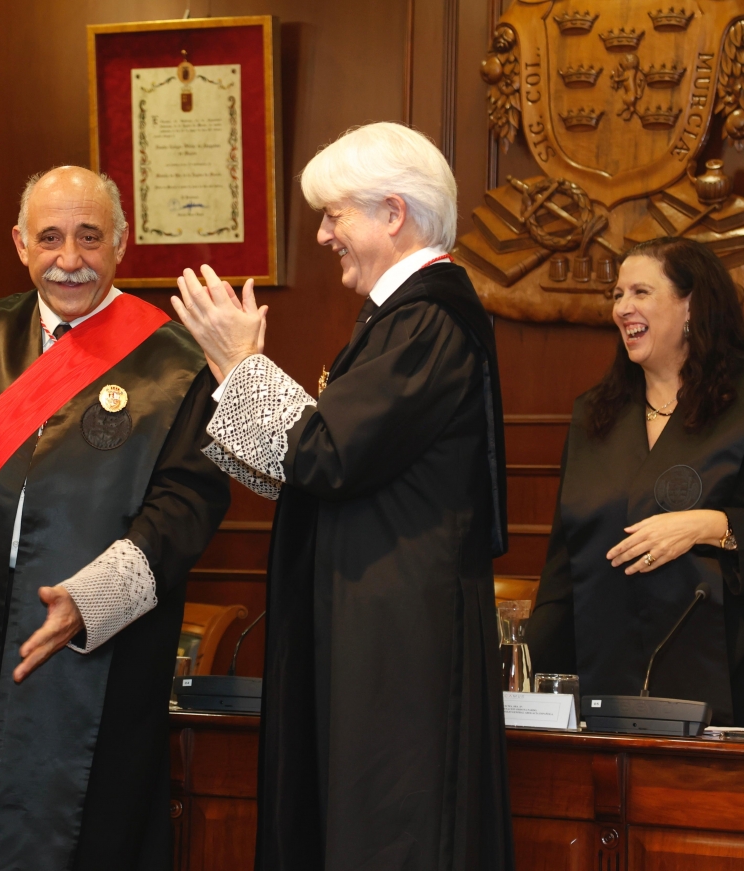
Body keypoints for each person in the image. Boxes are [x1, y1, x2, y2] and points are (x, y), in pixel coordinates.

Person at [172, 123, 514, 870]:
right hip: (373, 622)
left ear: (393, 212)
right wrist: (236, 372)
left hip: (395, 642)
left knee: (387, 830)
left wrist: (240, 362)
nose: (323, 234)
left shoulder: (428, 318)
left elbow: (323, 452)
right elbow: (317, 462)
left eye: (335, 214)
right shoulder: (404, 318)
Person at [0, 166, 230, 870]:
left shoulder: (178, 362)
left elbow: (188, 502)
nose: (70, 259)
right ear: (19, 243)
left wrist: (93, 599)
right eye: (51, 237)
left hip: (100, 651)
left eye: (89, 237)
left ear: (121, 244)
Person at [526, 236, 744, 726]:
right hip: (609, 689)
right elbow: (565, 567)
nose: (622, 308)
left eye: (640, 292)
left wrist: (711, 525)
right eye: (617, 295)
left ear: (690, 305)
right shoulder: (597, 416)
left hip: (738, 690)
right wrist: (528, 680)